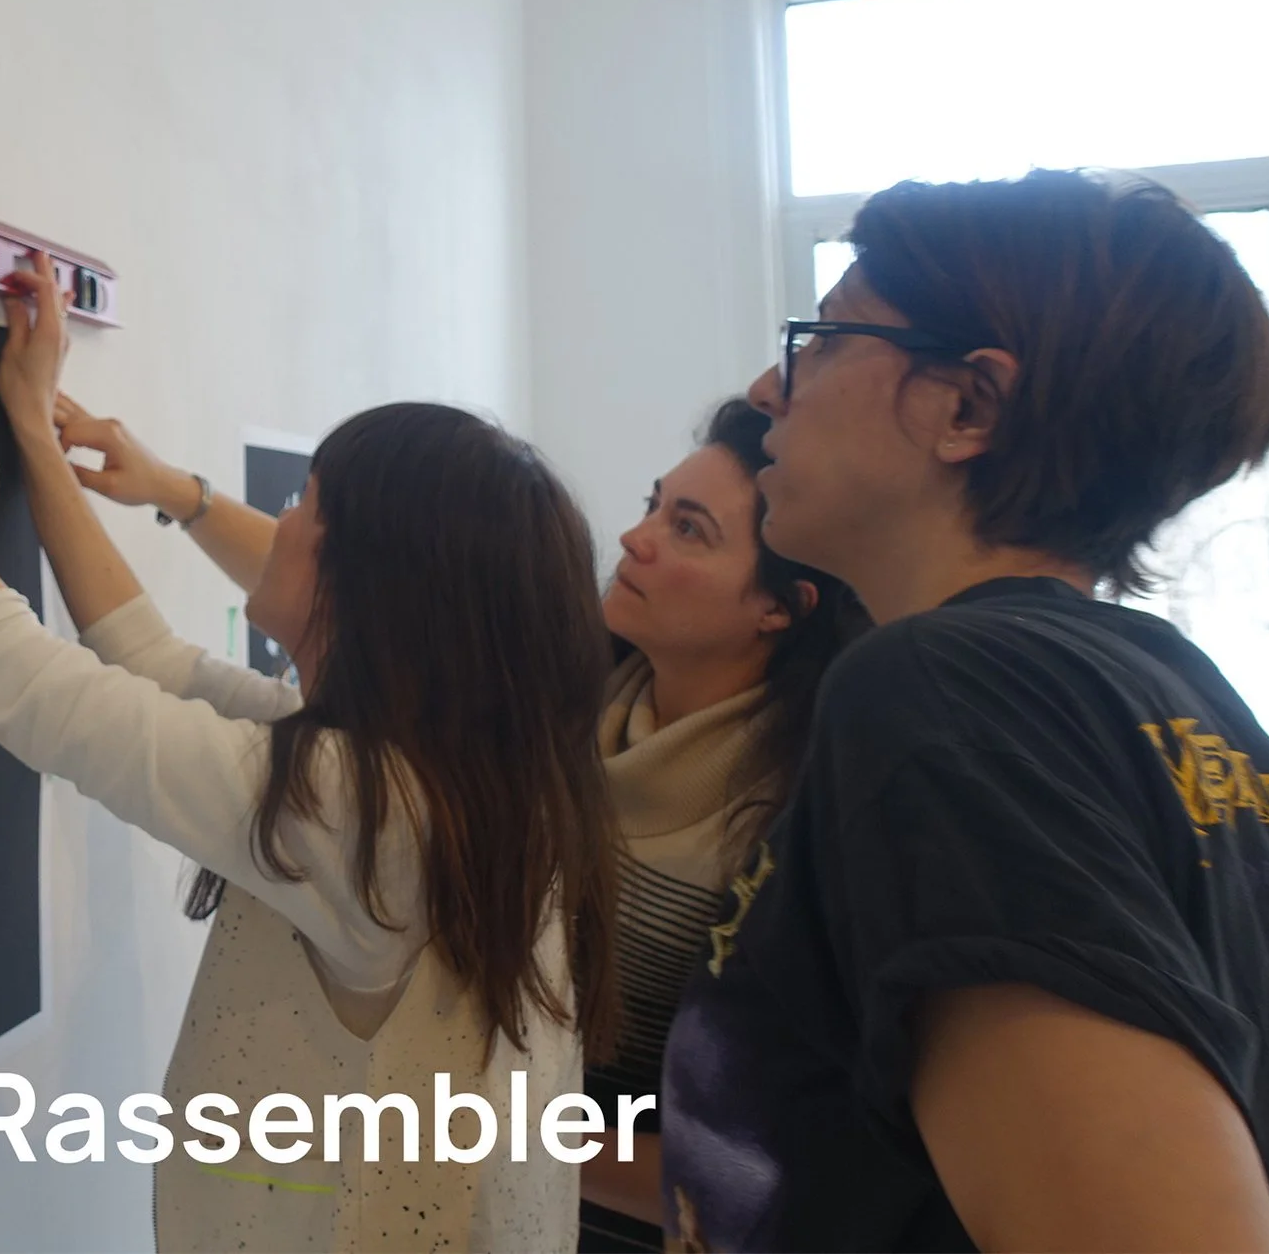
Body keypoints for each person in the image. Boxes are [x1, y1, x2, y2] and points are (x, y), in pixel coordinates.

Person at [0, 185, 618, 1252]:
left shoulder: (372, 808)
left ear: (371, 582)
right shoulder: (437, 774)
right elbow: (146, 660)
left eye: (308, 502)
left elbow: (18, 679)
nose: (282, 522)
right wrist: (33, 437)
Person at [58, 397, 866, 1249]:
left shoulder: (787, 829)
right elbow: (375, 586)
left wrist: (502, 1143)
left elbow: (765, 1160)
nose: (637, 538)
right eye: (652, 504)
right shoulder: (560, 708)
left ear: (780, 607)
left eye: (691, 529)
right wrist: (179, 494)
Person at [661, 170, 1269, 1251]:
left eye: (826, 338)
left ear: (965, 406)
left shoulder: (944, 689)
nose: (770, 384)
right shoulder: (1174, 690)